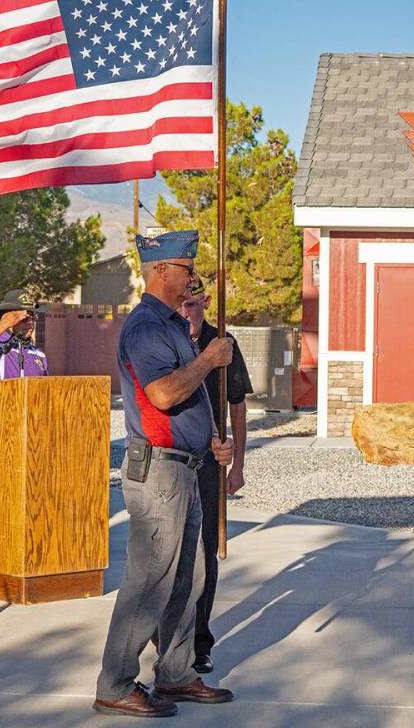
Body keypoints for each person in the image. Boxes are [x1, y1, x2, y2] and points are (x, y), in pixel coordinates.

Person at [94, 231, 237, 718]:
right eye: (185, 267)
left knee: (188, 577)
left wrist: (212, 437)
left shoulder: (173, 325)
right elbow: (162, 394)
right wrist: (207, 358)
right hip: (159, 470)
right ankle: (115, 682)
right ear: (159, 271)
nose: (192, 276)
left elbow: (192, 398)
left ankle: (175, 674)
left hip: (186, 467)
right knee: (150, 580)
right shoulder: (148, 328)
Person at [178, 275, 253, 674]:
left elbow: (237, 403)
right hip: (171, 459)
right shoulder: (167, 338)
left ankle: (200, 642)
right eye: (181, 304)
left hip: (210, 460)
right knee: (172, 553)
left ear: (206, 302)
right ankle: (169, 640)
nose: (186, 311)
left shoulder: (223, 343)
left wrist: (237, 463)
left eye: (193, 304)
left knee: (206, 551)